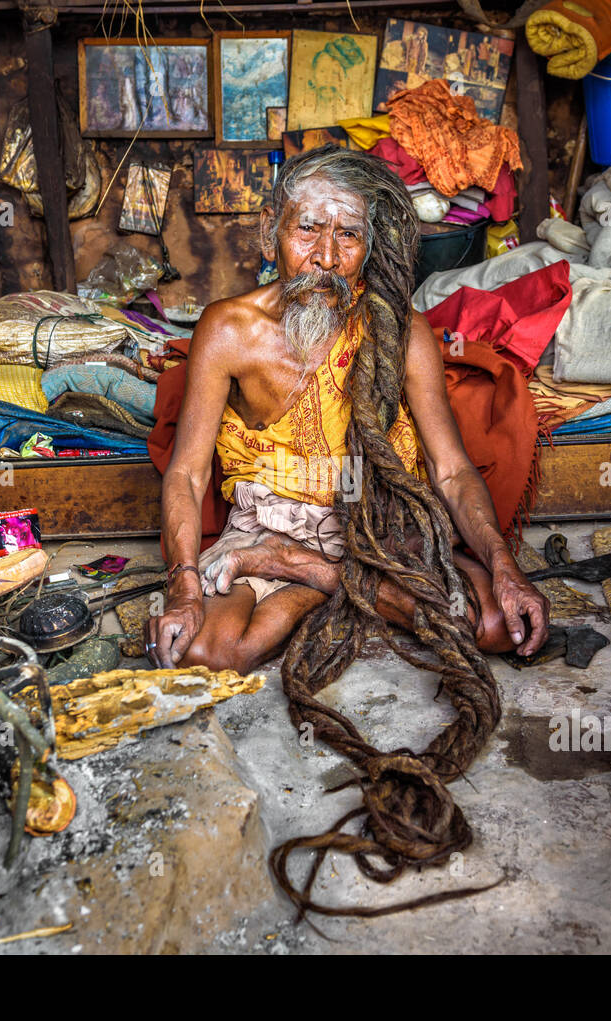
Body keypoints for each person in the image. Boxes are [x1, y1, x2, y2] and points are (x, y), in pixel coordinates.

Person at [145, 146, 549, 674]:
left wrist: (504, 567)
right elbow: (188, 474)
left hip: (377, 521)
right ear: (271, 230)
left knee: (496, 624)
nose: (326, 257)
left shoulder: (398, 331)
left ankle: (308, 573)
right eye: (307, 230)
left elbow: (450, 472)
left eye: (349, 235)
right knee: (207, 650)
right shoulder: (228, 331)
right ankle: (343, 584)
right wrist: (183, 585)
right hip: (272, 520)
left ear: (369, 243)